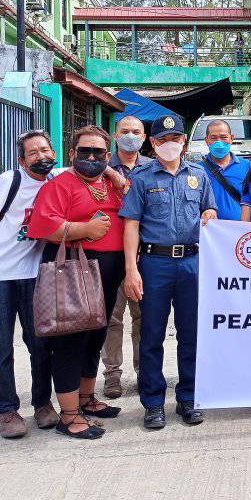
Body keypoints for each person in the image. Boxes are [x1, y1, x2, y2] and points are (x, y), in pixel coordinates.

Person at [120, 114, 218, 430]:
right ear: (152, 143)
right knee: (152, 334)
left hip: (191, 263)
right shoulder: (143, 177)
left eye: (174, 139)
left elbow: (209, 210)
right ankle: (153, 403)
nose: (169, 145)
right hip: (154, 264)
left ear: (183, 142)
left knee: (191, 334)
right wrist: (131, 269)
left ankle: (188, 398)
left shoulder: (199, 175)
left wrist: (210, 213)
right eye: (162, 140)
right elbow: (131, 224)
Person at [27, 125, 125, 440]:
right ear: (72, 154)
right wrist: (84, 229)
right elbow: (42, 225)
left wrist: (112, 173)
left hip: (109, 272)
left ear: (108, 156)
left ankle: (86, 399)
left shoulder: (111, 183)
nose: (91, 157)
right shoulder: (60, 184)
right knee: (71, 340)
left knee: (95, 336)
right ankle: (69, 416)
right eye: (85, 151)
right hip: (74, 270)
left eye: (99, 152)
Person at [0, 130, 57, 439]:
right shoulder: (9, 182)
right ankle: (6, 409)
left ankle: (43, 404)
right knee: (0, 346)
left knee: (41, 343)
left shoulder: (56, 180)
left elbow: (90, 166)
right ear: (21, 160)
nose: (41, 156)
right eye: (33, 152)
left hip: (34, 275)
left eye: (45, 149)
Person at [100, 115, 152, 400]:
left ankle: (144, 370)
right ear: (114, 135)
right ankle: (112, 374)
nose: (130, 135)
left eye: (136, 131)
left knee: (143, 316)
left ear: (144, 138)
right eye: (125, 131)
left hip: (145, 253)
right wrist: (108, 172)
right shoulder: (99, 168)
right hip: (110, 252)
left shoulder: (153, 168)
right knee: (112, 316)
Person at [201, 118, 251, 221]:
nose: (219, 142)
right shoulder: (197, 170)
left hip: (241, 231)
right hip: (209, 231)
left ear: (231, 138)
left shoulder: (247, 166)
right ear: (207, 140)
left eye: (223, 137)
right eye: (213, 138)